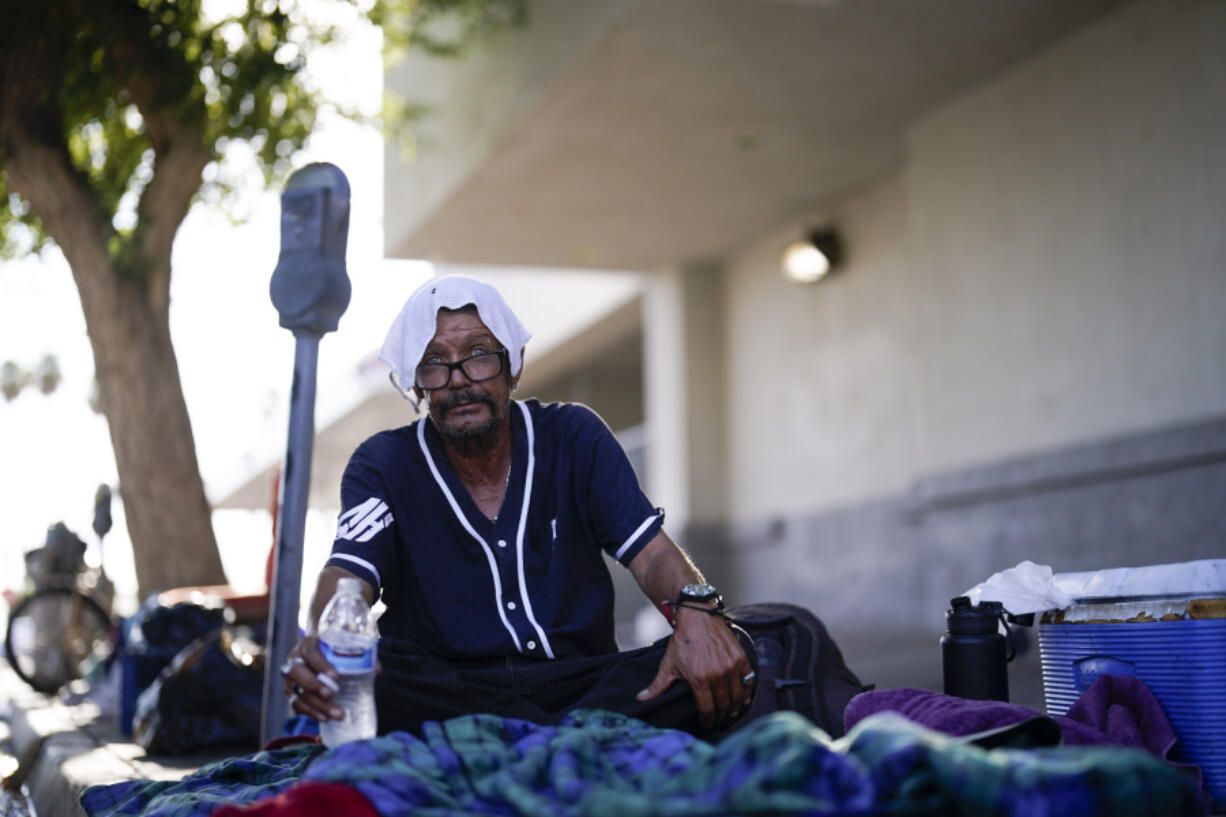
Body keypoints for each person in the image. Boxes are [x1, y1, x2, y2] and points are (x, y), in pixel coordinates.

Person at [281, 275, 757, 737]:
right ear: (416, 384)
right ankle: (573, 739)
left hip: (582, 685)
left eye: (478, 355)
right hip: (445, 696)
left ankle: (523, 738)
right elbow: (347, 576)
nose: (459, 380)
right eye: (434, 362)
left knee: (739, 650)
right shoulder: (383, 463)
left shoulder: (573, 435)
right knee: (374, 677)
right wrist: (324, 640)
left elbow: (651, 554)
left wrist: (698, 612)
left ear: (514, 363)